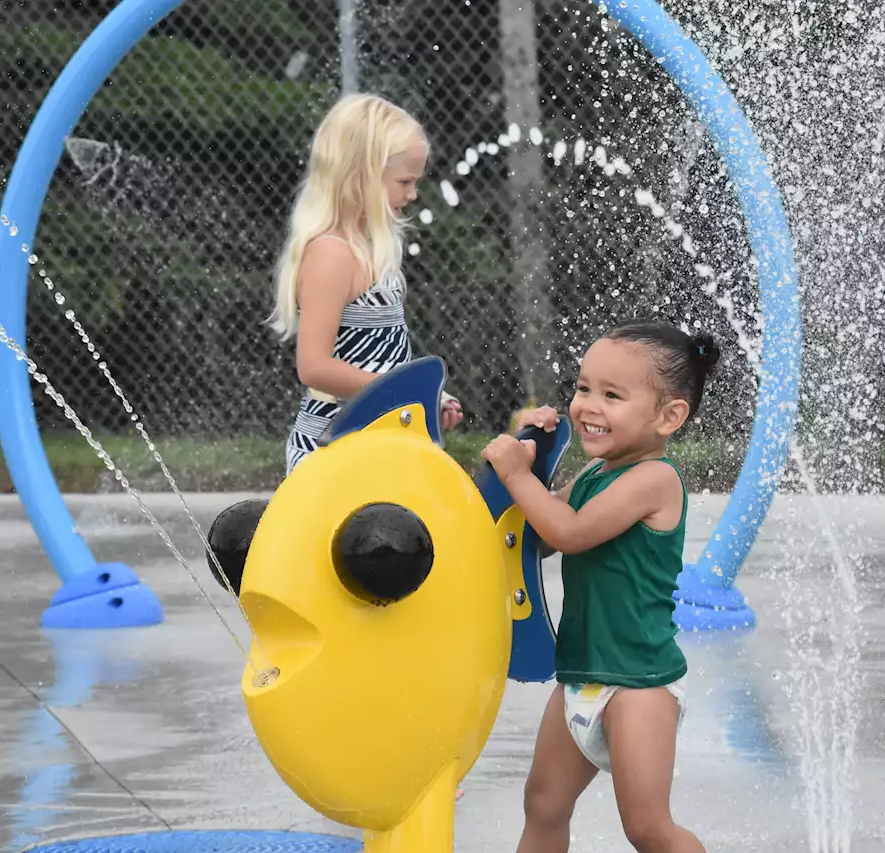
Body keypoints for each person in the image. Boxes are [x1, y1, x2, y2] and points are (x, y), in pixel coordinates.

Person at [482, 319, 719, 853]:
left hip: (638, 685)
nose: (588, 404)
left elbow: (568, 533)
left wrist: (518, 476)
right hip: (580, 677)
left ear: (668, 416)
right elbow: (537, 536)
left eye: (612, 395)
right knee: (543, 808)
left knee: (647, 828)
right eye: (583, 387)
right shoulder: (594, 475)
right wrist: (536, 456)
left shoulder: (655, 481)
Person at [269, 93, 463, 477]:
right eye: (404, 181)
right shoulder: (331, 255)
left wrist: (426, 401)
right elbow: (314, 367)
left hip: (376, 435)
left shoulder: (371, 251)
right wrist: (406, 395)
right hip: (333, 445)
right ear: (361, 177)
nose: (412, 194)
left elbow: (379, 356)